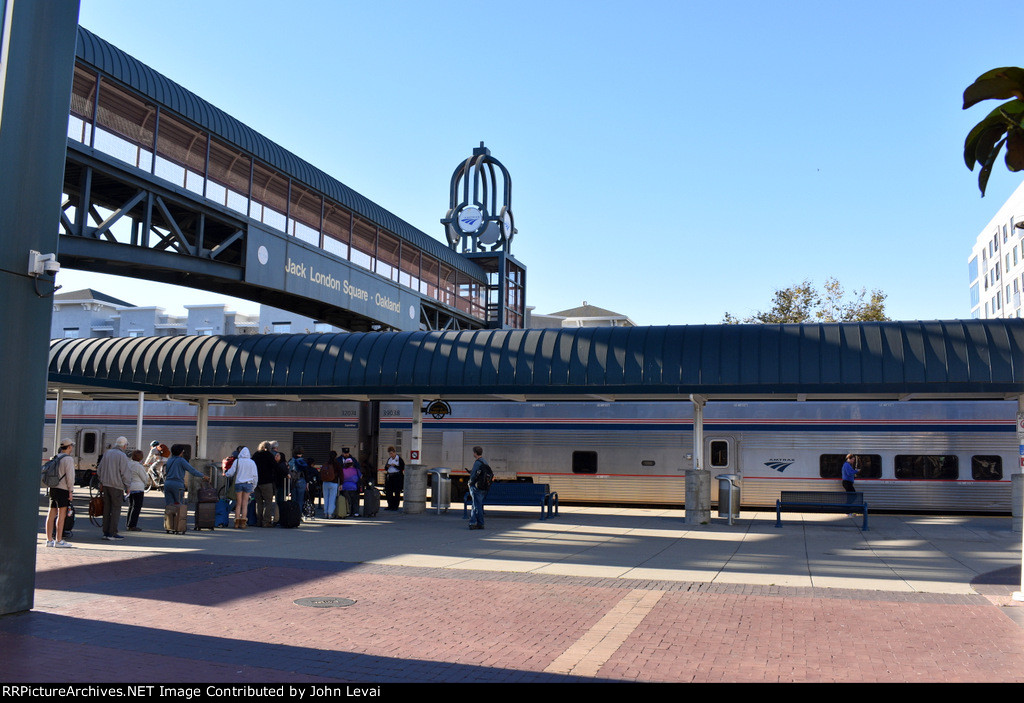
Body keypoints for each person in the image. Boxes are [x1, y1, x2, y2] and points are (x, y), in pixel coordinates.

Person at [96, 436, 133, 541]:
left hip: (106, 486)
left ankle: (105, 532)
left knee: (107, 508)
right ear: (124, 445)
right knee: (116, 509)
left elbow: (99, 470)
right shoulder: (122, 456)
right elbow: (125, 473)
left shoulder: (107, 453)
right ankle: (112, 533)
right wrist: (128, 487)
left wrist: (102, 481)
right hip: (116, 486)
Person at [45, 438, 77, 548]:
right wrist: (71, 491)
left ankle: (49, 540)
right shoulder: (68, 459)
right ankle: (58, 540)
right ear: (69, 447)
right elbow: (70, 477)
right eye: (71, 446)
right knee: (62, 515)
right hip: (63, 489)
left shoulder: (56, 457)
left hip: (53, 488)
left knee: (51, 514)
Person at [225, 446, 257, 529]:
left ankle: (236, 522)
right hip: (248, 484)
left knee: (238, 503)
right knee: (245, 504)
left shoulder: (237, 461)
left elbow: (231, 472)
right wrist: (254, 486)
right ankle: (243, 522)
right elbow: (255, 476)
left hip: (238, 483)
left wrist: (227, 474)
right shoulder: (252, 462)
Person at [252, 441, 278, 527]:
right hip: (267, 481)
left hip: (256, 481)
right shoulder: (269, 455)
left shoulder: (255, 455)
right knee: (268, 501)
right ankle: (266, 521)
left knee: (258, 502)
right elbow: (275, 467)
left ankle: (258, 521)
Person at [125, 449, 153, 531]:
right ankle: (132, 525)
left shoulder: (128, 464)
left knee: (130, 506)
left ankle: (128, 523)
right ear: (141, 458)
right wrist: (146, 482)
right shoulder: (139, 466)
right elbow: (144, 478)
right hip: (138, 488)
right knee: (136, 507)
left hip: (130, 487)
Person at [467, 445, 491, 530]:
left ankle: (474, 523)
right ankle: (479, 523)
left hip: (477, 487)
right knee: (477, 505)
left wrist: (470, 483)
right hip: (484, 487)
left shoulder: (477, 462)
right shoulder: (484, 461)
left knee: (476, 505)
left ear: (475, 453)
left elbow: (473, 475)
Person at [320, 450, 341, 519]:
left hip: (325, 482)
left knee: (326, 498)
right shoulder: (336, 463)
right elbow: (340, 473)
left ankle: (325, 513)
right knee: (332, 499)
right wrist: (341, 483)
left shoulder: (326, 463)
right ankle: (330, 514)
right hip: (333, 483)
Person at [383, 446, 404, 511]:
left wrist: (395, 466)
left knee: (397, 492)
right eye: (390, 454)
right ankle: (390, 505)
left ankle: (395, 506)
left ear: (394, 453)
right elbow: (385, 468)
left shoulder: (399, 459)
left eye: (392, 453)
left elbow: (402, 467)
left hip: (397, 476)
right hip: (390, 476)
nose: (391, 455)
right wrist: (387, 466)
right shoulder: (389, 459)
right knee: (389, 492)